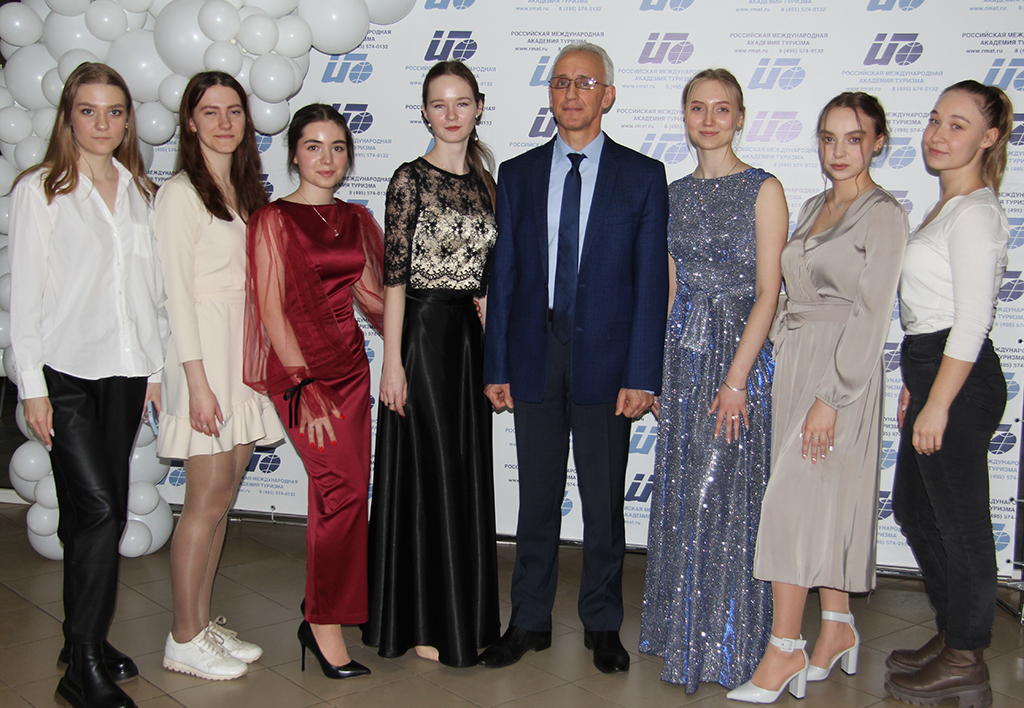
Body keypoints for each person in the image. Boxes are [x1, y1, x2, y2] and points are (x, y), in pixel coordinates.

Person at [479, 41, 669, 674]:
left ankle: (603, 623)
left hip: (609, 366)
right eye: (561, 82)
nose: (572, 93)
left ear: (607, 95)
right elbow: (505, 275)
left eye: (585, 82)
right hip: (534, 357)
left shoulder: (642, 176)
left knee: (603, 502)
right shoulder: (519, 173)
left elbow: (650, 284)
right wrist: (497, 364)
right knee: (535, 499)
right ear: (550, 94)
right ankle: (528, 621)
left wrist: (642, 374)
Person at [727, 93, 909, 703]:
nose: (839, 151)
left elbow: (872, 315)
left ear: (877, 142)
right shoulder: (811, 206)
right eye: (829, 138)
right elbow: (789, 293)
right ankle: (837, 626)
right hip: (796, 364)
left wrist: (831, 396)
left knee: (790, 506)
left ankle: (785, 649)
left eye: (854, 138)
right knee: (818, 505)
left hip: (841, 372)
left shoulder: (884, 214)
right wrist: (774, 355)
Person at [9, 62, 165, 708]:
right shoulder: (40, 190)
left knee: (93, 514)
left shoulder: (139, 191)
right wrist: (32, 387)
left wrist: (155, 369)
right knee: (99, 511)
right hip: (64, 375)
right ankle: (82, 669)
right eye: (88, 110)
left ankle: (84, 642)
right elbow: (23, 297)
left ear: (128, 121)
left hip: (125, 374)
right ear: (68, 117)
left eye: (114, 111)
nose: (102, 123)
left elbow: (147, 291)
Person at [639, 68, 787, 692]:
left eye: (721, 108)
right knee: (682, 495)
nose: (708, 119)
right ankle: (683, 634)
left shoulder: (764, 188)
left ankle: (728, 640)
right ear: (685, 116)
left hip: (738, 355)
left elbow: (770, 291)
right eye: (697, 107)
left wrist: (736, 379)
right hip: (684, 354)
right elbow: (670, 289)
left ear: (740, 117)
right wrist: (656, 371)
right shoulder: (672, 193)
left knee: (723, 495)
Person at [361, 61, 500, 667]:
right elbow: (393, 280)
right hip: (419, 335)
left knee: (462, 472)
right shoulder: (408, 179)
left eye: (461, 102)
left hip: (467, 342)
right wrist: (391, 362)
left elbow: (487, 281)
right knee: (427, 473)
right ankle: (420, 617)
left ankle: (461, 614)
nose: (451, 114)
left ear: (478, 107)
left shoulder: (487, 183)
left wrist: (494, 351)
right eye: (439, 104)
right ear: (424, 112)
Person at [244, 103, 384, 680]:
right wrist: (304, 384)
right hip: (301, 374)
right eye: (313, 146)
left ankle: (326, 606)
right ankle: (322, 622)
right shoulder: (273, 218)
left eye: (337, 147)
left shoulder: (356, 218)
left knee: (349, 493)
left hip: (351, 369)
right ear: (294, 154)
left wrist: (446, 317)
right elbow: (270, 309)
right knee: (339, 492)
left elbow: (375, 299)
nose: (327, 158)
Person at [884, 81, 1013, 708]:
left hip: (959, 377)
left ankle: (967, 657)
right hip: (931, 369)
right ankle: (951, 630)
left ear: (989, 138)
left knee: (962, 527)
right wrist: (917, 387)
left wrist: (938, 401)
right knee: (914, 509)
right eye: (936, 119)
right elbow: (927, 309)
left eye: (957, 125)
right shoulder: (948, 206)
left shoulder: (977, 214)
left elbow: (972, 320)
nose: (938, 134)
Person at [155, 71, 284, 681]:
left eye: (234, 111)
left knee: (223, 497)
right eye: (210, 112)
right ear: (190, 122)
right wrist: (198, 384)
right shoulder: (180, 194)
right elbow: (177, 297)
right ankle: (182, 636)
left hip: (239, 358)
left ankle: (201, 623)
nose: (224, 122)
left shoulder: (244, 191)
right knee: (203, 503)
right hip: (203, 359)